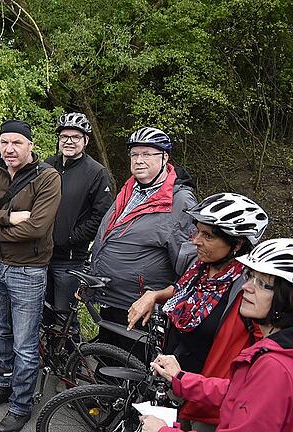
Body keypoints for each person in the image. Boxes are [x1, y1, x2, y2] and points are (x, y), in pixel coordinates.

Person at [127, 193, 268, 431]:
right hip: (174, 383)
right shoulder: (200, 268)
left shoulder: (249, 294)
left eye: (208, 236)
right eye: (198, 231)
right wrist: (155, 294)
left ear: (238, 244)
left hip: (209, 403)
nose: (196, 241)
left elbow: (262, 361)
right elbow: (183, 290)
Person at [141, 238, 293, 432]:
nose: (246, 287)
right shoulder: (275, 348)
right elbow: (237, 393)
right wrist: (181, 377)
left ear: (288, 298)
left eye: (262, 284)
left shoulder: (275, 367)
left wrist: (162, 431)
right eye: (250, 276)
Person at [0, 120, 62, 432]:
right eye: (5, 142)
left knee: (24, 342)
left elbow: (36, 228)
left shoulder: (47, 178)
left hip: (28, 269)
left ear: (30, 145)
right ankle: (3, 385)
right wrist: (7, 218)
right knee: (0, 331)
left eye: (17, 143)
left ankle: (21, 405)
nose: (9, 149)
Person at [90, 127, 197, 356]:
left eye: (147, 154)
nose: (139, 160)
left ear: (164, 157)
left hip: (140, 306)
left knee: (129, 373)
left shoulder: (179, 201)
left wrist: (164, 296)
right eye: (134, 154)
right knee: (106, 363)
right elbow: (109, 234)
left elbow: (190, 265)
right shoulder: (131, 188)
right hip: (111, 297)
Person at [44, 112, 113, 330]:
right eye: (64, 136)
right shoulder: (48, 165)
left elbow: (101, 215)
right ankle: (47, 360)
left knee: (65, 318)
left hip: (69, 259)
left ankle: (68, 362)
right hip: (41, 254)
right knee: (43, 313)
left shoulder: (96, 172)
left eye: (75, 137)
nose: (69, 141)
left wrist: (72, 237)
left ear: (86, 140)